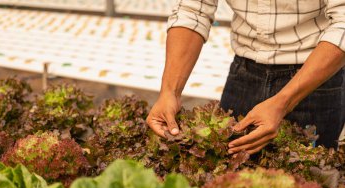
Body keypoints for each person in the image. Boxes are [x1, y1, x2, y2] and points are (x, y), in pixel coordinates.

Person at [146, 0, 345, 154]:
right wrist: (169, 92)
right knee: (227, 184)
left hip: (315, 80)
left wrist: (283, 102)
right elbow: (193, 10)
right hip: (244, 74)